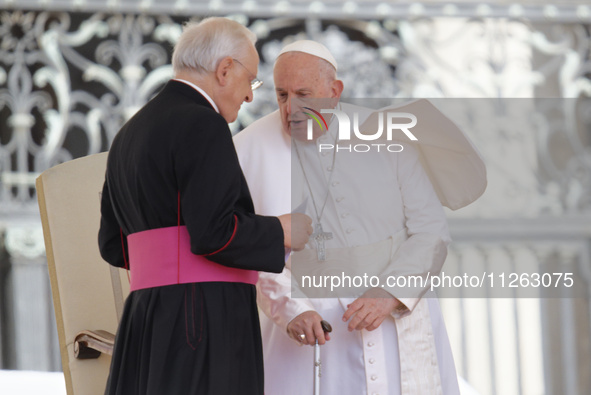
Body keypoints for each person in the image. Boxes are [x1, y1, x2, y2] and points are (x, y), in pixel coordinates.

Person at [234, 40, 485, 395]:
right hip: (312, 330)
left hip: (395, 315)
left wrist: (390, 292)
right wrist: (292, 309)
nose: (291, 108)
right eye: (282, 95)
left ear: (334, 92)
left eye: (304, 94)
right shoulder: (248, 150)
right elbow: (248, 247)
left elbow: (431, 232)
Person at [98, 19, 312, 395]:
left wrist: (168, 267)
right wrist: (281, 230)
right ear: (225, 69)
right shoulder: (203, 123)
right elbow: (214, 233)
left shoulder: (128, 133)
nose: (249, 96)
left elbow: (113, 245)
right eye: (252, 81)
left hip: (146, 318)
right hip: (200, 320)